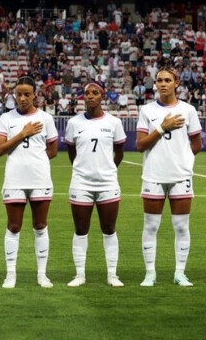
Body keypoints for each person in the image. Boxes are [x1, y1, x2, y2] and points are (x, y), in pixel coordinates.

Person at [137, 66, 202, 287]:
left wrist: (182, 160)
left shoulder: (188, 110)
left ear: (177, 83)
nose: (162, 84)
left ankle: (180, 273)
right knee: (151, 226)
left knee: (182, 226)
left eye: (167, 80)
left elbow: (197, 144)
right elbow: (140, 145)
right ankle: (150, 273)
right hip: (153, 175)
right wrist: (162, 128)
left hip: (180, 176)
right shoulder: (147, 111)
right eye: (159, 80)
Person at [0, 76, 58, 288]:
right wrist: (23, 133)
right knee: (13, 226)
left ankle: (42, 274)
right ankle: (10, 274)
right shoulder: (6, 118)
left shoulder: (45, 119)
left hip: (40, 178)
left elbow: (52, 150)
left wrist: (34, 161)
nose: (22, 98)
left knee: (40, 226)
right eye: (19, 94)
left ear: (35, 95)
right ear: (14, 95)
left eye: (27, 94)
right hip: (14, 179)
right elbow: (0, 149)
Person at [65, 82, 126, 288]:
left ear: (102, 96)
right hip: (81, 183)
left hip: (107, 183)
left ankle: (112, 275)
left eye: (95, 93)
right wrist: (84, 169)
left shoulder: (114, 123)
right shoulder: (74, 123)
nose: (90, 96)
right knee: (81, 229)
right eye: (86, 93)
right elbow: (72, 153)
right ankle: (80, 275)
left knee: (109, 228)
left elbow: (119, 152)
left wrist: (107, 169)